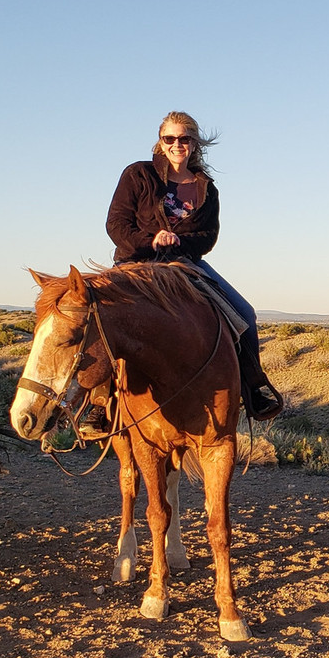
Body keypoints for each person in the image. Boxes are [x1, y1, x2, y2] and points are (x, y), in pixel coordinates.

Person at [90, 110, 281, 433]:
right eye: (170, 139)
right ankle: (98, 405)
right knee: (100, 320)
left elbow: (208, 237)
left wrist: (180, 242)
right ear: (160, 142)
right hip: (136, 262)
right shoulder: (137, 174)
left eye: (184, 139)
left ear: (194, 144)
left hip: (185, 263)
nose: (177, 144)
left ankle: (254, 389)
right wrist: (151, 239)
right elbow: (116, 224)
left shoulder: (206, 188)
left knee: (244, 314)